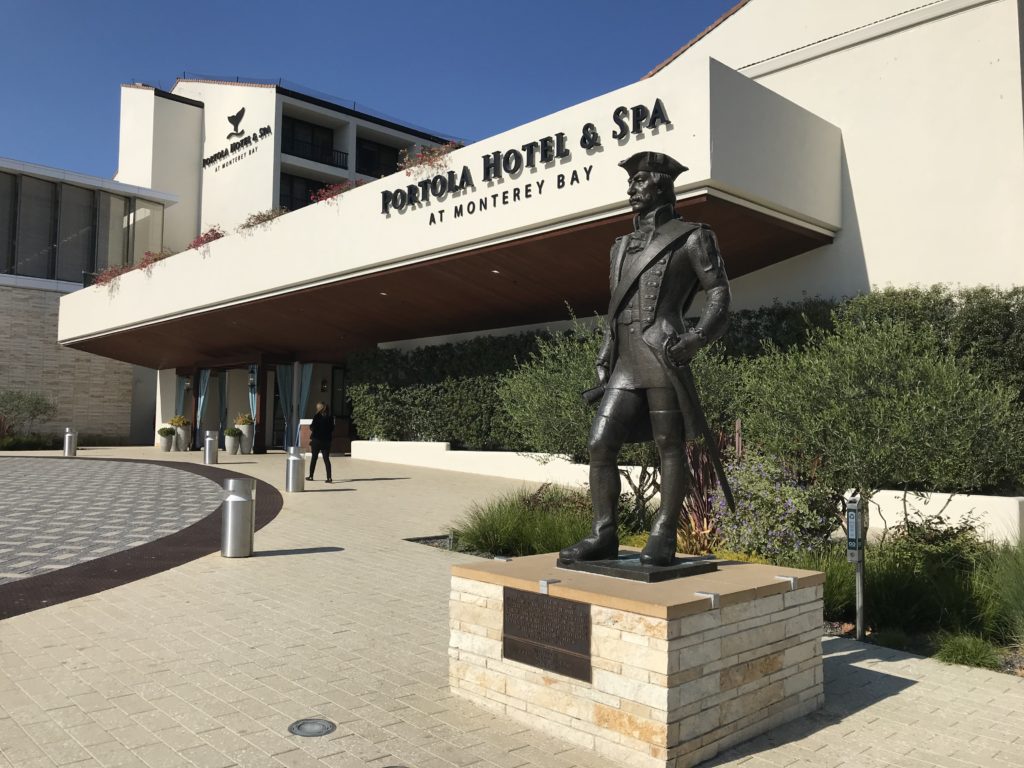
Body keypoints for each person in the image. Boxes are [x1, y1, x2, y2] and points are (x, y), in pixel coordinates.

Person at [559, 151, 731, 567]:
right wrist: (605, 348)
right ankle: (604, 534)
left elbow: (720, 293)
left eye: (639, 181)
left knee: (669, 446)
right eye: (631, 182)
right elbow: (616, 307)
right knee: (600, 445)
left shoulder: (693, 236)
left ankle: (664, 533)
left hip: (662, 350)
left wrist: (697, 337)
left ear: (662, 185)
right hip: (625, 360)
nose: (631, 189)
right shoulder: (620, 246)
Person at [306, 402, 335, 483]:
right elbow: (332, 428)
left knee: (314, 458)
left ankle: (311, 476)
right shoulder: (330, 417)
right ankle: (329, 478)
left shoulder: (317, 416)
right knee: (326, 459)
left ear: (319, 408)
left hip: (317, 440)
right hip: (326, 441)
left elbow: (312, 427)